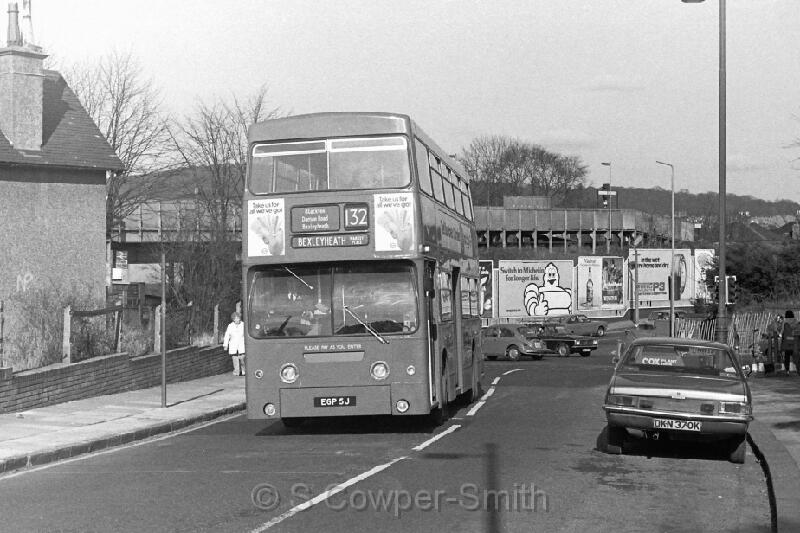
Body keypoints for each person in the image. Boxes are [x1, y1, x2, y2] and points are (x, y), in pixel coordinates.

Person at [223, 312, 246, 376]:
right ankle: (237, 371)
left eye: (238, 318)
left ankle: (243, 370)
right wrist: (225, 345)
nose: (237, 320)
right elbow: (227, 335)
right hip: (233, 344)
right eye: (235, 318)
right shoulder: (230, 326)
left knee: (242, 359)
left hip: (241, 344)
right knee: (235, 359)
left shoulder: (243, 325)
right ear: (233, 319)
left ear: (240, 319)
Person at [780, 310, 797, 375]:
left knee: (787, 357)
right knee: (796, 356)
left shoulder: (785, 322)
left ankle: (787, 371)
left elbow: (781, 332)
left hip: (787, 343)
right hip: (795, 343)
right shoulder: (796, 321)